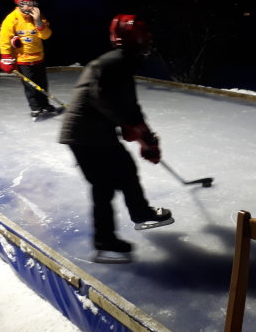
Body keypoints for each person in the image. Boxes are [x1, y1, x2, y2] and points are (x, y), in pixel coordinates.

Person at [59, 14, 174, 264]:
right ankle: (106, 244)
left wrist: (144, 137)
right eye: (145, 38)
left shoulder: (121, 61)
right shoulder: (117, 62)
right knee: (105, 185)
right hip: (87, 134)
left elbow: (128, 105)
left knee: (124, 171)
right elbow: (103, 99)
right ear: (139, 39)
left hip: (90, 132)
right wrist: (134, 128)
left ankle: (140, 214)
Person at [0, 0, 58, 120]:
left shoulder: (38, 16)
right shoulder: (11, 19)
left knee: (42, 84)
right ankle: (35, 107)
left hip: (38, 57)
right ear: (19, 2)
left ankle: (45, 104)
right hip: (23, 60)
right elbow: (4, 39)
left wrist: (38, 21)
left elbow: (46, 35)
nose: (31, 5)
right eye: (27, 2)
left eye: (32, 1)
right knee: (30, 86)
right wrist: (7, 57)